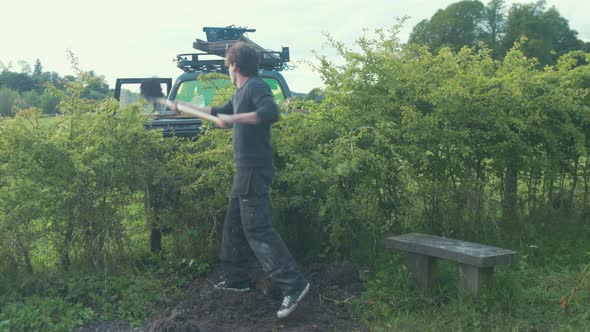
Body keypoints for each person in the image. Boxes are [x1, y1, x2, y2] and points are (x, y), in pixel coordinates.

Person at [170, 41, 309, 319]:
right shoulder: (240, 92)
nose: (227, 71)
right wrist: (184, 107)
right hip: (244, 170)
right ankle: (237, 280)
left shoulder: (256, 87)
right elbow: (221, 112)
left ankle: (294, 285)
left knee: (257, 229)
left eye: (227, 66)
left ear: (234, 65)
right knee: (234, 225)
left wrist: (235, 117)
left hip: (254, 169)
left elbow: (271, 112)